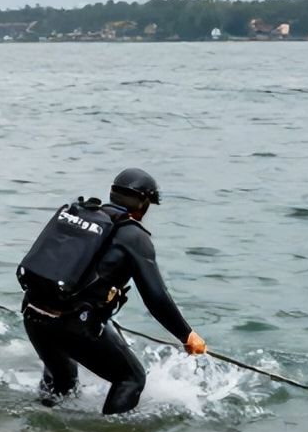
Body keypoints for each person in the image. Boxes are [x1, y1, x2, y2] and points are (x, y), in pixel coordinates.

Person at [19, 167, 207, 414]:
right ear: (143, 204)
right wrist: (187, 335)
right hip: (71, 324)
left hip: (34, 314)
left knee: (63, 380)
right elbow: (156, 297)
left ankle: (40, 430)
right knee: (131, 379)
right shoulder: (134, 236)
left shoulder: (84, 216)